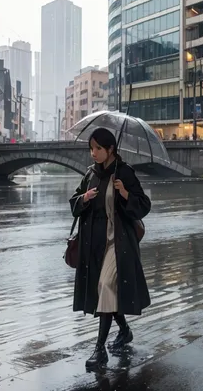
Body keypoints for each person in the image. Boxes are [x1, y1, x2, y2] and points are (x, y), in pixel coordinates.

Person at [69, 127, 152, 369]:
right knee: (105, 290)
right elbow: (74, 203)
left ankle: (99, 349)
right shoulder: (90, 174)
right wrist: (84, 198)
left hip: (118, 244)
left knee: (106, 286)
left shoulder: (124, 173)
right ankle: (124, 330)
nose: (93, 153)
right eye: (91, 149)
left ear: (110, 149)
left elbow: (144, 205)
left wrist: (125, 193)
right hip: (93, 245)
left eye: (97, 149)